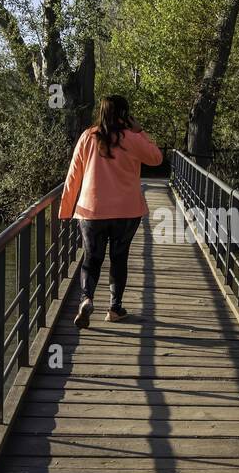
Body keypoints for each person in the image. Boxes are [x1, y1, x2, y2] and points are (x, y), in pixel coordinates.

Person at [57, 95, 163, 327]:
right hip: (126, 211)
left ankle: (86, 298)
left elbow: (73, 174)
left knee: (91, 257)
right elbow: (156, 158)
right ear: (125, 114)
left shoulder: (88, 136)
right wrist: (140, 131)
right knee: (118, 258)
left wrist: (65, 209)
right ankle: (114, 308)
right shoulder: (132, 138)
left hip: (91, 210)